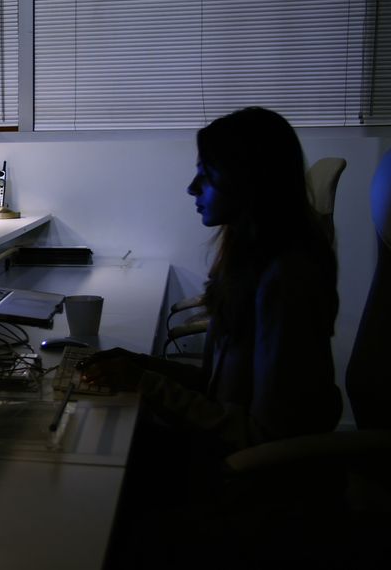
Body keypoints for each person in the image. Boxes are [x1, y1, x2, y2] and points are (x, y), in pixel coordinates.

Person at [83, 107, 343, 566]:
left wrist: (143, 383)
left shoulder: (287, 279)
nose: (191, 188)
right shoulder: (252, 258)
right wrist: (138, 365)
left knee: (98, 478)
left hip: (246, 484)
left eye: (206, 176)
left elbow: (260, 433)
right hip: (223, 454)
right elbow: (220, 386)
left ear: (249, 180)